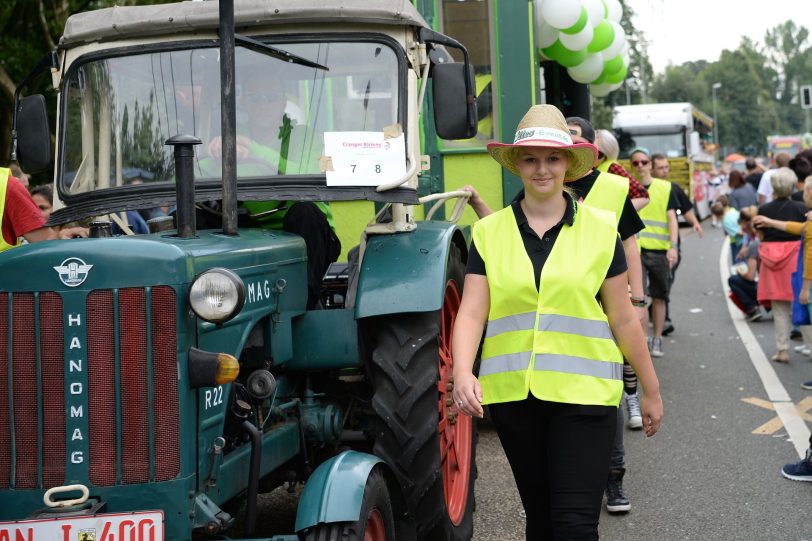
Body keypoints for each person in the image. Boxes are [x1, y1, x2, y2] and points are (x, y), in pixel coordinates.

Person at [452, 104, 662, 540]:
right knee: (542, 523)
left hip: (585, 398)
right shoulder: (489, 233)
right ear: (517, 165)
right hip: (515, 398)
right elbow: (472, 311)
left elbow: (623, 319)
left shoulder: (602, 230)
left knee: (574, 526)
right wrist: (460, 373)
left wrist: (650, 390)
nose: (542, 168)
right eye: (530, 158)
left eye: (552, 158)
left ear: (568, 164)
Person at [753, 167, 808, 362]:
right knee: (803, 305)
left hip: (771, 260)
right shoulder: (802, 208)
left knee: (779, 308)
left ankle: (782, 349)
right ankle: (810, 346)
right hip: (795, 259)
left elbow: (759, 236)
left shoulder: (764, 210)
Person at [631, 148, 680, 357]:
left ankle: (657, 338)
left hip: (659, 252)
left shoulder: (665, 187)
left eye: (644, 162)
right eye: (636, 163)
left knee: (660, 297)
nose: (640, 166)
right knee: (638, 298)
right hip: (636, 251)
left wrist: (673, 246)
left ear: (650, 164)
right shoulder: (625, 187)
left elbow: (672, 219)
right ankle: (644, 339)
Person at [651, 154, 702, 336]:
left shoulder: (672, 188)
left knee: (665, 284)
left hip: (669, 247)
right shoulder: (640, 188)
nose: (665, 171)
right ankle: (658, 316)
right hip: (645, 248)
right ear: (652, 169)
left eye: (666, 167)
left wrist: (695, 223)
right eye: (661, 168)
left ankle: (662, 317)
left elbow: (686, 209)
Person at [0, 167, 87, 249]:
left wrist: (62, 235)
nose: (38, 214)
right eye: (35, 209)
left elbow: (45, 239)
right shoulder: (7, 185)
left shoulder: (7, 186)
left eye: (42, 208)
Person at [728, 207, 769, 321]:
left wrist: (740, 272)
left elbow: (750, 276)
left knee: (733, 280)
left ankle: (752, 308)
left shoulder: (754, 245)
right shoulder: (766, 239)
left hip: (763, 287)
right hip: (775, 284)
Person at [593, 129, 649, 211]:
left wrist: (617, 215)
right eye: (591, 151)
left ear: (607, 154)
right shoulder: (593, 167)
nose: (593, 157)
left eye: (598, 154)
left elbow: (642, 195)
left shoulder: (612, 167)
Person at [710, 195, 741, 262]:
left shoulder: (725, 220)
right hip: (741, 241)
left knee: (737, 262)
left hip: (736, 241)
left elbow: (738, 233)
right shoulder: (733, 210)